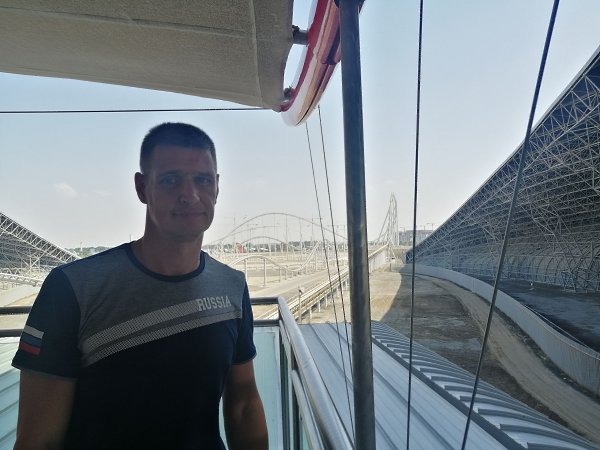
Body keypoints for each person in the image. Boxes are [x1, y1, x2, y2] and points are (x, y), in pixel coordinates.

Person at [12, 122, 268, 450]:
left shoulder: (232, 286)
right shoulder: (72, 288)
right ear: (142, 188)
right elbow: (38, 441)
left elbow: (244, 402)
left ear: (217, 187)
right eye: (171, 179)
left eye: (203, 180)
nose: (190, 195)